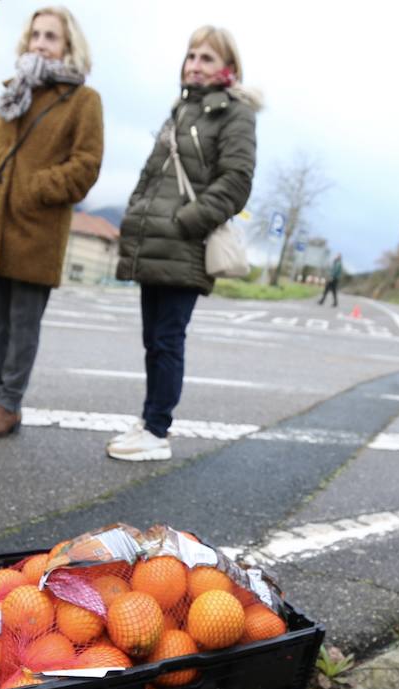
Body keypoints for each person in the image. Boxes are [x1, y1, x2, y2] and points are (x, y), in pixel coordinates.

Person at [107, 25, 259, 462]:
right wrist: (136, 212)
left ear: (228, 68)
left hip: (183, 244)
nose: (194, 64)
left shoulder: (235, 114)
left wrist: (184, 222)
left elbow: (236, 182)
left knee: (168, 339)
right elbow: (150, 175)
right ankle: (150, 419)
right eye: (191, 56)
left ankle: (157, 431)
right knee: (154, 339)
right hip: (154, 240)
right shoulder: (180, 111)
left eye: (207, 58)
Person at [0, 6, 103, 440]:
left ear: (69, 46)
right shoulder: (13, 89)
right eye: (35, 34)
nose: (40, 42)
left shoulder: (83, 100)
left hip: (37, 228)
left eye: (51, 36)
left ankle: (9, 404)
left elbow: (87, 164)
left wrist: (34, 188)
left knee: (22, 325)